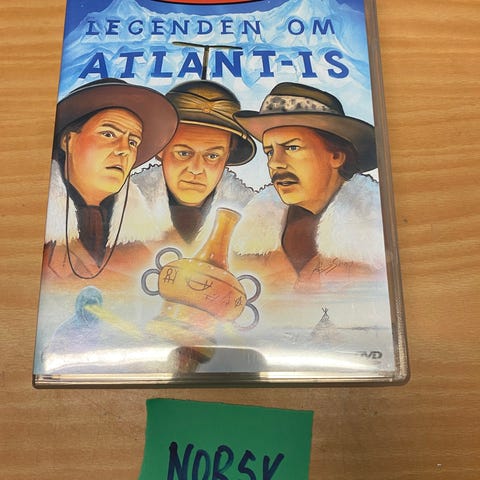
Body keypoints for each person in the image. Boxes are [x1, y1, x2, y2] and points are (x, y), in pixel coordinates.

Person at [232, 82, 387, 292]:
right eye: (269, 152)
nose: (274, 163)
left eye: (292, 147)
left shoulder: (376, 235)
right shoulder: (246, 239)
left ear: (336, 156)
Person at [42, 78, 178, 282]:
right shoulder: (36, 220)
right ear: (68, 140)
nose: (124, 150)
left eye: (133, 142)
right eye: (108, 134)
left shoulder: (147, 243)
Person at [132, 80, 256, 256]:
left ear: (228, 155)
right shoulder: (120, 206)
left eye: (212, 156)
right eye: (183, 153)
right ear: (160, 148)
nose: (196, 169)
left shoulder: (255, 216)